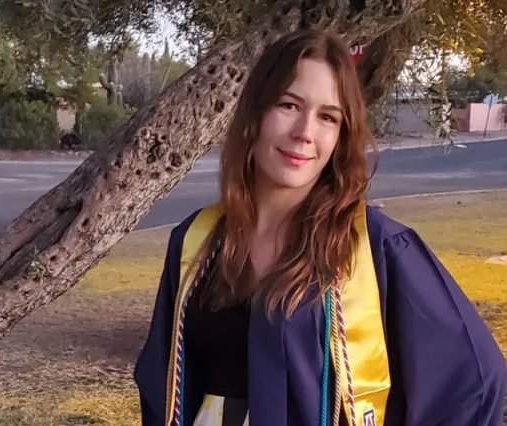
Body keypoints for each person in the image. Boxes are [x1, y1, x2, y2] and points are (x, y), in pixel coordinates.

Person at [133, 29, 507, 426]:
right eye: (289, 105)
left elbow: (472, 384)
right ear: (255, 113)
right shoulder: (197, 241)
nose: (305, 133)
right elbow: (163, 385)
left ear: (341, 135)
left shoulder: (375, 248)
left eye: (327, 117)